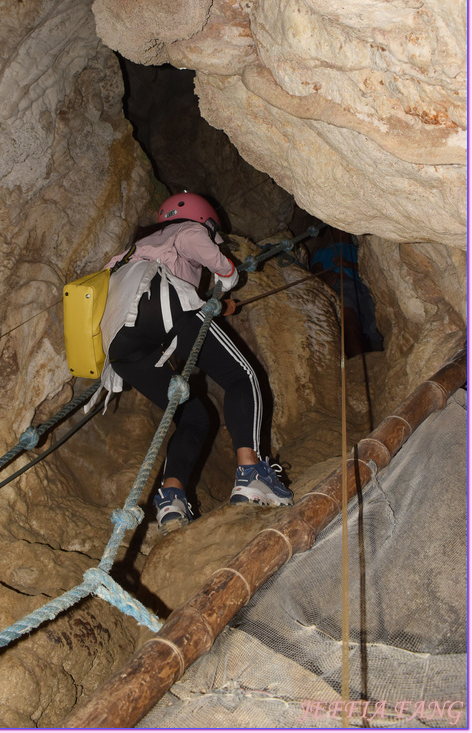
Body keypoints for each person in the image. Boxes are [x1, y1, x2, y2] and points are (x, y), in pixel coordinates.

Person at [98, 191, 293, 533]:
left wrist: (218, 306)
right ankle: (252, 474)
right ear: (203, 219)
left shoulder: (131, 251)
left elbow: (139, 294)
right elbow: (195, 245)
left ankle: (171, 497)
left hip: (119, 342)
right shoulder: (187, 229)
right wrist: (228, 273)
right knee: (242, 377)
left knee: (195, 417)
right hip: (162, 306)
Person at [310, 230, 383, 358]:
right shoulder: (323, 252)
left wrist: (349, 264)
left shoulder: (360, 250)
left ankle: (381, 361)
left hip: (366, 288)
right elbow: (316, 271)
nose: (341, 232)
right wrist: (326, 275)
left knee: (377, 329)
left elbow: (373, 268)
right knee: (349, 321)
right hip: (341, 285)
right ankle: (359, 366)